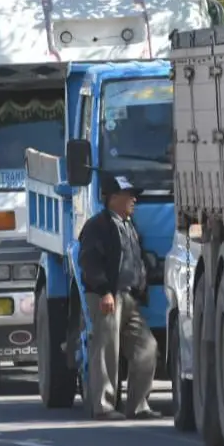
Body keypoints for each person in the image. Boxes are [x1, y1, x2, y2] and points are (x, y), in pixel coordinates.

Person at [77, 175, 161, 421]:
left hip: (129, 298)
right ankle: (103, 406)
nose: (134, 200)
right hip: (107, 297)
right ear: (113, 198)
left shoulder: (129, 225)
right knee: (106, 350)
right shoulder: (97, 226)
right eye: (128, 195)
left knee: (147, 347)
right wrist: (104, 291)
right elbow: (89, 262)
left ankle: (138, 405)